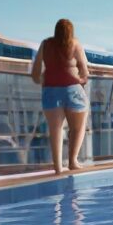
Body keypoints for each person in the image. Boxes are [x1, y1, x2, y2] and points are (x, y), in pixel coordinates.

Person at [31, 19, 89, 174]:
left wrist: (43, 80)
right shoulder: (75, 43)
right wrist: (81, 80)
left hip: (50, 89)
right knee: (78, 127)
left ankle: (58, 167)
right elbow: (85, 70)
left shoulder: (45, 44)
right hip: (72, 89)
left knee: (55, 129)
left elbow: (35, 74)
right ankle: (73, 160)